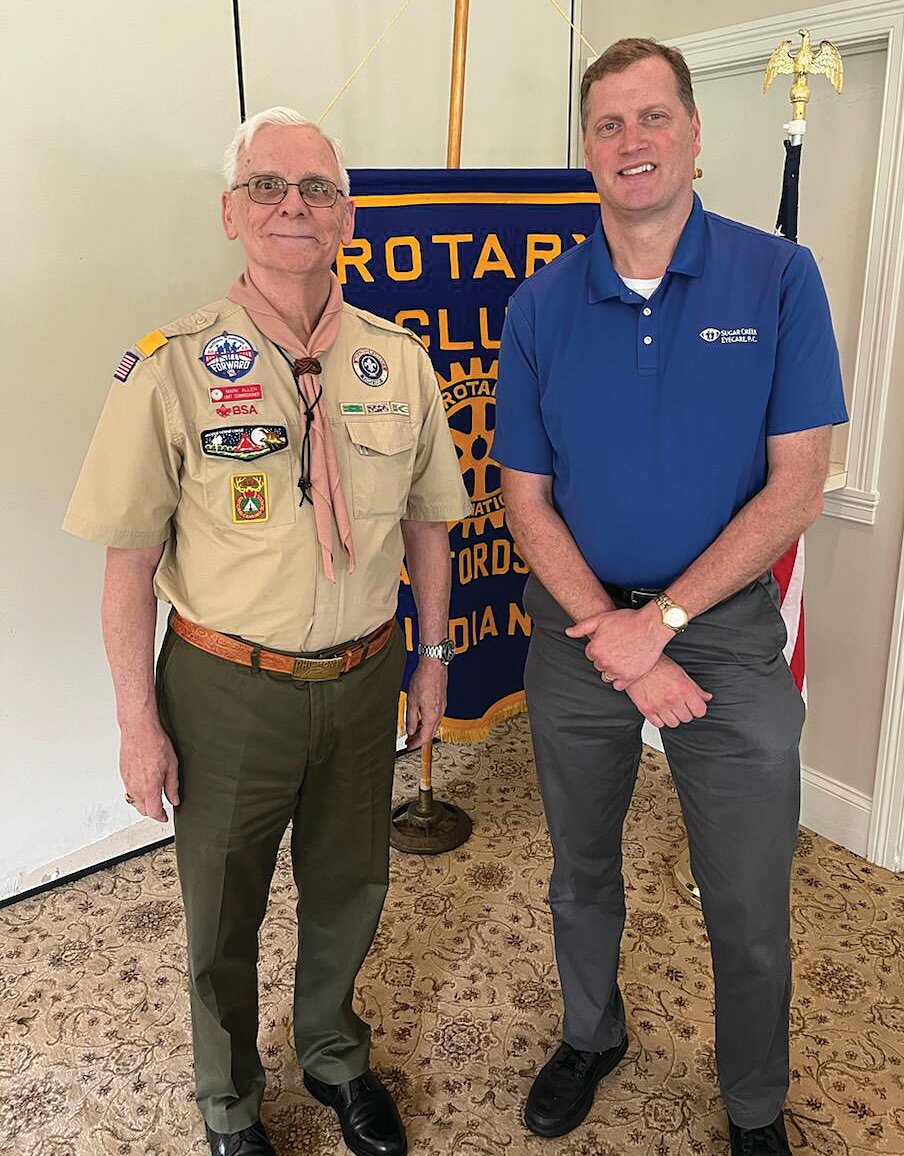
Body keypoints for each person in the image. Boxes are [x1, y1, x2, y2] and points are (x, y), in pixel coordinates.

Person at [64, 107, 471, 1156]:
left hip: (362, 671)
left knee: (351, 885)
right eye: (268, 186)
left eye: (317, 189)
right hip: (224, 686)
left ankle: (333, 1055)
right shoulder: (171, 365)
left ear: (346, 213)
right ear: (231, 211)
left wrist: (430, 657)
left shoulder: (398, 361)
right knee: (223, 912)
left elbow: (429, 520)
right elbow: (128, 564)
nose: (294, 206)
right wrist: (134, 723)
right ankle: (231, 1104)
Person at [494, 39, 847, 1156]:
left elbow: (797, 485)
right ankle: (590, 1034)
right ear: (585, 152)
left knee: (746, 899)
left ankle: (753, 1105)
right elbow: (524, 497)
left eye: (652, 119)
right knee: (580, 868)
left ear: (694, 137)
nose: (630, 143)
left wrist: (667, 626)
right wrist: (620, 637)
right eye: (607, 125)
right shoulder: (540, 304)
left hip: (728, 636)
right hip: (579, 639)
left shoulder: (776, 278)